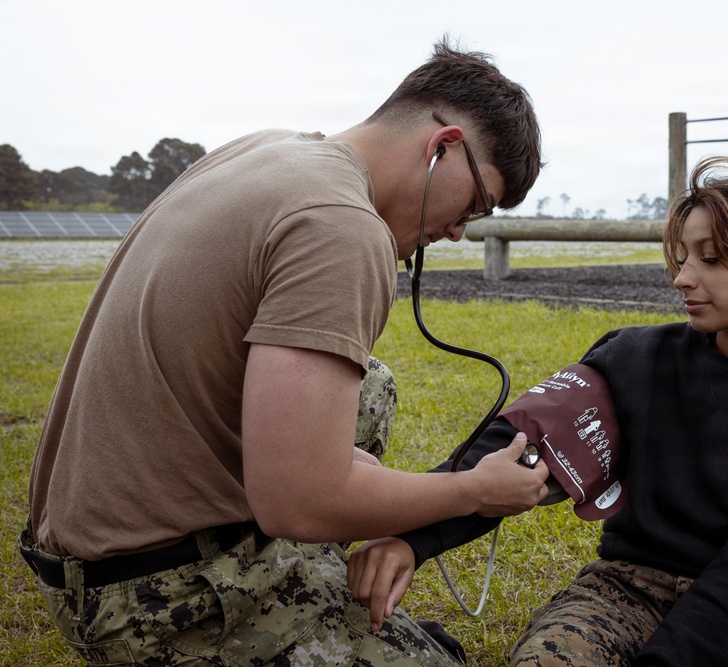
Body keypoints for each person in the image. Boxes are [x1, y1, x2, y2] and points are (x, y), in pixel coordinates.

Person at [20, 39, 551, 666]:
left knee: (369, 385)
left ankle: (306, 581)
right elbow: (298, 502)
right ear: (442, 147)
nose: (460, 229)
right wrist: (473, 491)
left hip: (79, 560)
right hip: (146, 601)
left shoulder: (269, 149)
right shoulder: (343, 226)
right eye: (477, 204)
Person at [348, 156, 728, 666]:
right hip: (624, 585)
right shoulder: (633, 358)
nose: (683, 278)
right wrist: (412, 540)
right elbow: (519, 445)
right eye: (684, 257)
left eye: (712, 259)